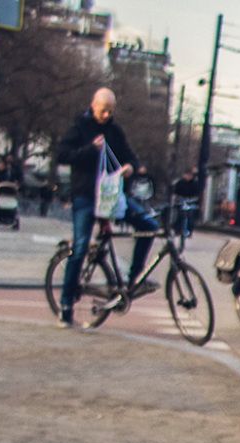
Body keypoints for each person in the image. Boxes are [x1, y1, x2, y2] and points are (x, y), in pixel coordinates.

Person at [54, 88, 160, 327]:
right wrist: (90, 149)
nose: (106, 115)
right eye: (103, 110)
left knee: (148, 225)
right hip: (86, 195)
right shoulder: (79, 127)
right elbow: (62, 154)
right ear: (93, 105)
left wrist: (131, 167)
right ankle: (66, 305)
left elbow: (129, 156)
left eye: (110, 111)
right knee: (80, 247)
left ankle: (135, 277)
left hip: (112, 196)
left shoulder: (115, 131)